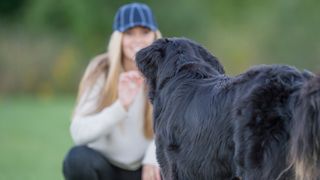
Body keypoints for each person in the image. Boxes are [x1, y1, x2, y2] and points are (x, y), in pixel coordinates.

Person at [62, 2, 162, 180]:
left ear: (154, 36)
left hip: (145, 170)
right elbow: (79, 133)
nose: (138, 40)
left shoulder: (164, 73)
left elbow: (176, 127)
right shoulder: (101, 71)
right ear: (118, 38)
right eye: (129, 33)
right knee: (77, 159)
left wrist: (153, 155)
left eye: (144, 32)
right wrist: (121, 107)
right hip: (106, 169)